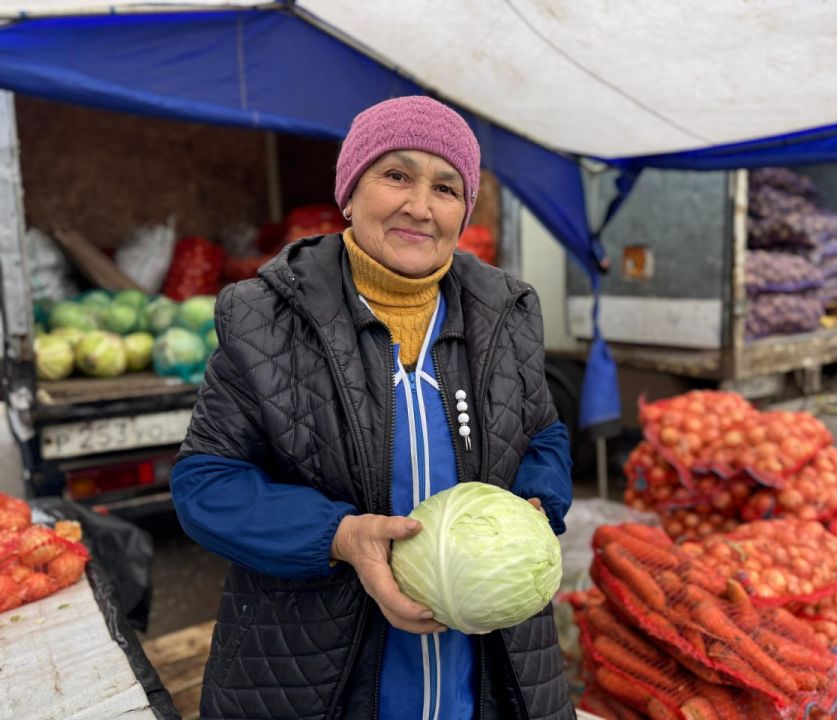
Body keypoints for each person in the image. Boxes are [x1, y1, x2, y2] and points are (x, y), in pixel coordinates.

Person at [171, 95, 575, 720]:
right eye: (396, 175)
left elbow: (542, 432)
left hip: (491, 670)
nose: (420, 206)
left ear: (463, 211)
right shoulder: (264, 317)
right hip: (315, 670)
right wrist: (338, 535)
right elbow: (207, 483)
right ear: (350, 192)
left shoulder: (507, 311)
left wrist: (537, 502)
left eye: (446, 187)